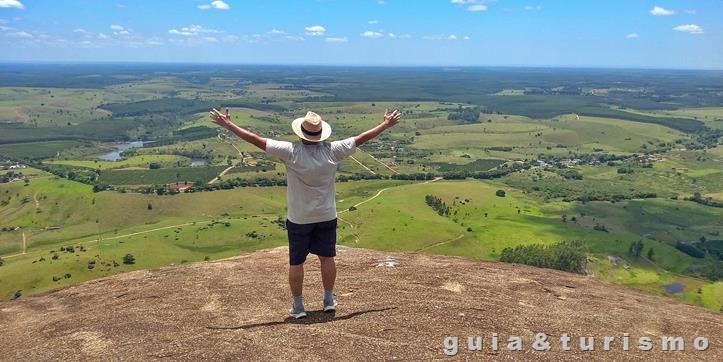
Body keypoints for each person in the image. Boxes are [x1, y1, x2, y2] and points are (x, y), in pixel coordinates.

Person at [210, 108, 402, 318]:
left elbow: (256, 140)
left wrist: (228, 125)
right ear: (321, 133)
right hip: (327, 215)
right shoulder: (333, 151)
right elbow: (361, 138)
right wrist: (385, 124)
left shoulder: (290, 151)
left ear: (301, 132)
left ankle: (298, 306)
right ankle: (328, 299)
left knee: (296, 262)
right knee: (327, 258)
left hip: (299, 217)